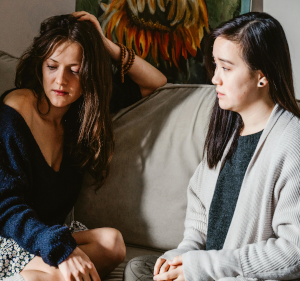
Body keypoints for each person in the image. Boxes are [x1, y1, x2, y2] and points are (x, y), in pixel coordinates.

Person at [123, 12, 300, 281]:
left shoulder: (291, 142)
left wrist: (200, 267)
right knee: (139, 269)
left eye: (226, 68)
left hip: (242, 275)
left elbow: (292, 252)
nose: (215, 78)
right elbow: (198, 218)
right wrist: (181, 257)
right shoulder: (226, 129)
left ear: (261, 77)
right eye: (215, 65)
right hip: (209, 269)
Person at [0, 11, 167, 281]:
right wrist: (63, 249)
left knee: (113, 243)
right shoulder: (15, 111)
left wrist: (104, 44)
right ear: (40, 65)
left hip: (51, 235)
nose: (61, 81)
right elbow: (5, 208)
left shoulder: (82, 114)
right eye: (52, 66)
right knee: (40, 277)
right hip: (11, 237)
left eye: (75, 71)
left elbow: (154, 82)